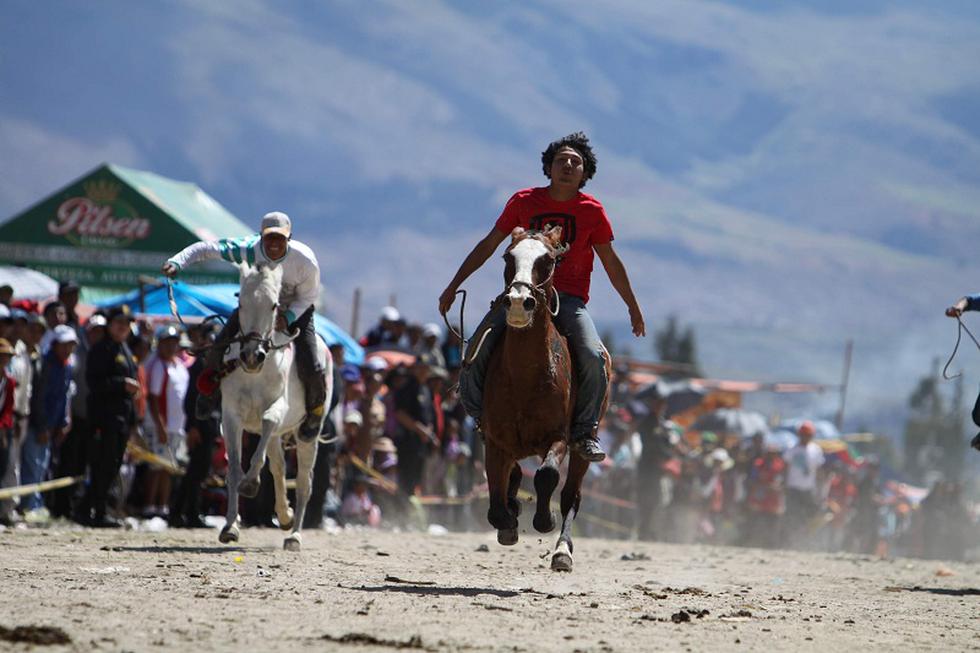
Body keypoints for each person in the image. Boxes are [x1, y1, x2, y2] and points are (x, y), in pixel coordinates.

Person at [439, 132, 646, 462]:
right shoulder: (524, 201)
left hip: (569, 300)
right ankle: (481, 417)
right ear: (548, 167)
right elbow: (489, 244)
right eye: (561, 160)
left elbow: (610, 261)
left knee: (593, 357)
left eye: (575, 162)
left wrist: (632, 306)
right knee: (477, 347)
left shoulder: (592, 211)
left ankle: (584, 431)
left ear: (585, 173)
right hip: (520, 295)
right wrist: (454, 284)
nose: (568, 165)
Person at [162, 211, 326, 441]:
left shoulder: (305, 260)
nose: (274, 243)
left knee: (311, 361)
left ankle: (315, 411)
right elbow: (206, 249)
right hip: (258, 306)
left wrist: (288, 317)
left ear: (289, 238)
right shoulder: (247, 249)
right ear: (261, 236)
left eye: (280, 238)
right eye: (269, 237)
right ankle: (209, 394)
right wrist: (177, 262)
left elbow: (308, 297)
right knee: (219, 346)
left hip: (295, 309)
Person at [78, 306, 140, 527]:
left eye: (126, 323)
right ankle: (97, 511)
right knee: (102, 465)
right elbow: (94, 383)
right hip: (104, 417)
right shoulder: (101, 349)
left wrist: (133, 421)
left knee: (113, 466)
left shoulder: (125, 349)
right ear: (110, 325)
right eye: (119, 322)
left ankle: (89, 508)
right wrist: (121, 384)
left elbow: (132, 393)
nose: (123, 327)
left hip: (121, 419)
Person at [20, 324, 77, 519]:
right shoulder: (46, 364)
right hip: (38, 426)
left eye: (71, 345)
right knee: (32, 465)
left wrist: (62, 423)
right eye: (64, 344)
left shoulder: (67, 366)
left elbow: (64, 397)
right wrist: (43, 426)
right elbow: (39, 398)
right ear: (55, 344)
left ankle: (34, 503)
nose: (68, 349)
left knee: (42, 466)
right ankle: (28, 506)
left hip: (52, 426)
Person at [143, 324, 190, 519]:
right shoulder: (157, 365)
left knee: (168, 468)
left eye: (174, 343)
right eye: (166, 343)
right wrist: (160, 426)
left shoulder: (179, 366)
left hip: (177, 426)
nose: (170, 347)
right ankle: (149, 505)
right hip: (160, 426)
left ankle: (163, 506)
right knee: (156, 467)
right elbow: (153, 398)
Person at [783, 420, 825, 548]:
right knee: (792, 516)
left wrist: (820, 489)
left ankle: (806, 541)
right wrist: (784, 485)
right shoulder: (791, 449)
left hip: (808, 489)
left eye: (808, 435)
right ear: (799, 435)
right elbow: (785, 468)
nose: (806, 437)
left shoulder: (816, 450)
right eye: (803, 435)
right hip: (793, 488)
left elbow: (819, 470)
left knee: (810, 516)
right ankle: (790, 542)